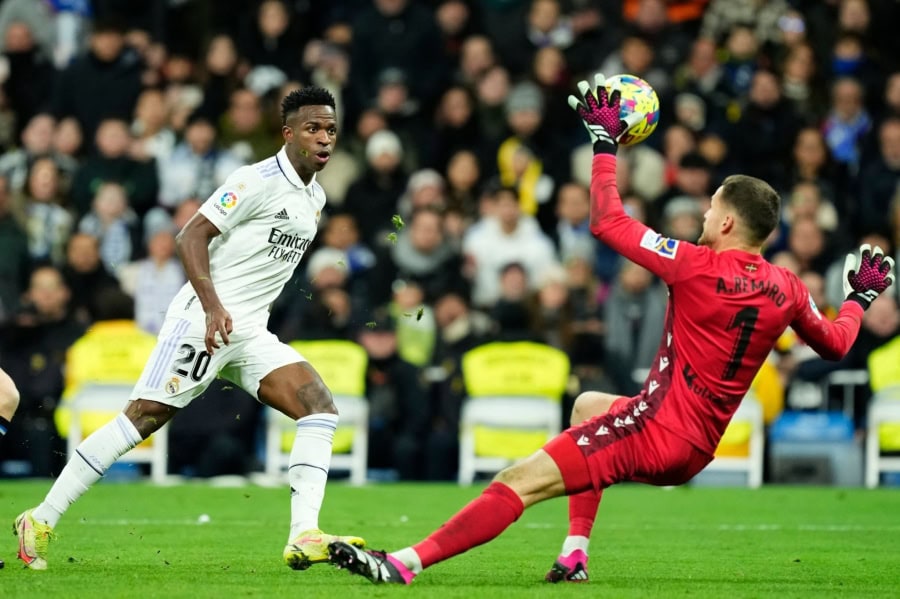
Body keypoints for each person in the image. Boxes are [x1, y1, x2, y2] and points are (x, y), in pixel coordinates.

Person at [326, 73, 895, 585]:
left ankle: (402, 564)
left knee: (518, 479)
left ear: (726, 221)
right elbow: (839, 341)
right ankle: (574, 554)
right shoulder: (789, 287)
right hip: (697, 448)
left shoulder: (692, 263)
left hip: (653, 430)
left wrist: (604, 144)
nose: (700, 218)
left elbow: (606, 220)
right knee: (588, 405)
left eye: (708, 210)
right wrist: (859, 297)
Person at [14, 86, 366, 571]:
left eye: (330, 129)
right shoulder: (254, 180)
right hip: (204, 321)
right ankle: (41, 518)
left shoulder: (315, 197)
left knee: (319, 408)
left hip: (248, 332)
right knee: (142, 419)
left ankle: (304, 533)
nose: (324, 137)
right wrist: (214, 306)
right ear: (288, 134)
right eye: (312, 128)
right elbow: (191, 235)